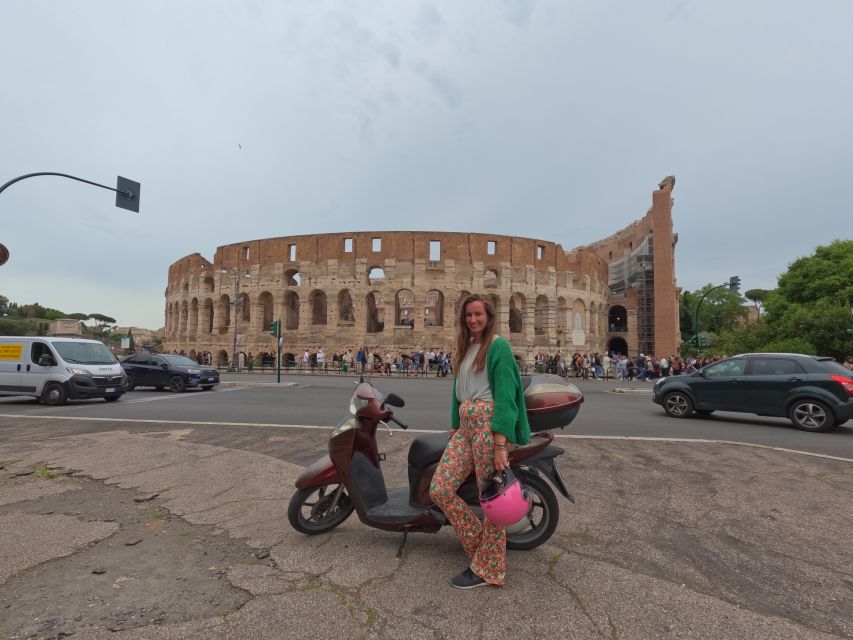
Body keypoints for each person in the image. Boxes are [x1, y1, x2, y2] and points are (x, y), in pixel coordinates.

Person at [429, 294, 531, 589]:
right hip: (467, 427)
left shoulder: (498, 347)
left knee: (491, 501)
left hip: (488, 425)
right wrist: (455, 424)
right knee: (440, 489)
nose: (473, 319)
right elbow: (458, 390)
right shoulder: (467, 346)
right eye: (468, 315)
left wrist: (501, 444)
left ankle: (490, 570)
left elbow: (506, 396)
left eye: (478, 314)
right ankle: (479, 544)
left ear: (488, 316)